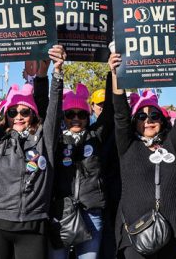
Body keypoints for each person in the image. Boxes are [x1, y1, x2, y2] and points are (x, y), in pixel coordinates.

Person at [0, 45, 66, 259]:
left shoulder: (44, 140)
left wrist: (57, 72)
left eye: (25, 111)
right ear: (6, 115)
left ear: (34, 114)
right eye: (12, 111)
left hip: (33, 226)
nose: (18, 116)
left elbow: (54, 110)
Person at [108, 53, 176, 259]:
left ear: (162, 120)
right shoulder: (128, 146)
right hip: (134, 235)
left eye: (155, 115)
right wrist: (116, 75)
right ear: (135, 122)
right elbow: (120, 114)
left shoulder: (173, 145)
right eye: (142, 116)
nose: (149, 120)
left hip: (173, 235)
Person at [49, 73, 115, 259]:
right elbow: (48, 108)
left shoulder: (96, 136)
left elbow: (109, 110)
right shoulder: (55, 139)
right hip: (61, 212)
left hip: (91, 211)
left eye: (82, 114)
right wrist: (56, 73)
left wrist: (113, 72)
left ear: (88, 116)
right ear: (64, 116)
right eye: (70, 114)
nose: (76, 118)